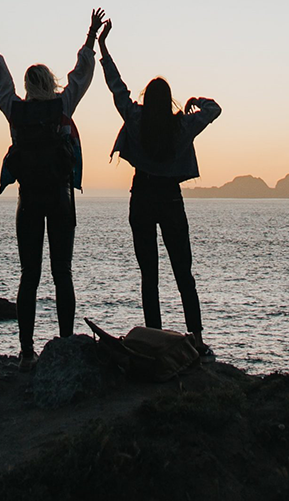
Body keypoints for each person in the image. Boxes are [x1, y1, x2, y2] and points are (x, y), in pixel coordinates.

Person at [0, 8, 104, 370]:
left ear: (29, 86)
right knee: (63, 271)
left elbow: (0, 82)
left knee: (29, 274)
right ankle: (63, 343)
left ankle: (27, 350)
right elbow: (83, 73)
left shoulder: (16, 110)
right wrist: (90, 34)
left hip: (27, 200)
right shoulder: (64, 105)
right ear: (51, 82)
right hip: (61, 199)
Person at [97, 18, 221, 357]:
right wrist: (197, 99)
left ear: (146, 98)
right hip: (170, 198)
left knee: (148, 273)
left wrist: (103, 46)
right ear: (168, 100)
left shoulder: (135, 118)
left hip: (142, 197)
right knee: (184, 272)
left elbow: (116, 86)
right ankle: (195, 337)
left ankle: (152, 337)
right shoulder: (182, 125)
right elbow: (215, 110)